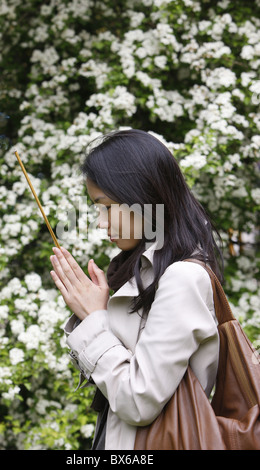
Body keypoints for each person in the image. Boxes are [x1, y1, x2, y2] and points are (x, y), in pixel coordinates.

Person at [49, 129, 223, 450]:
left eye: (106, 207)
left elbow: (138, 401)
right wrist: (90, 314)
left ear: (143, 198)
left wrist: (94, 318)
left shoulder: (183, 277)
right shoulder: (141, 271)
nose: (101, 223)